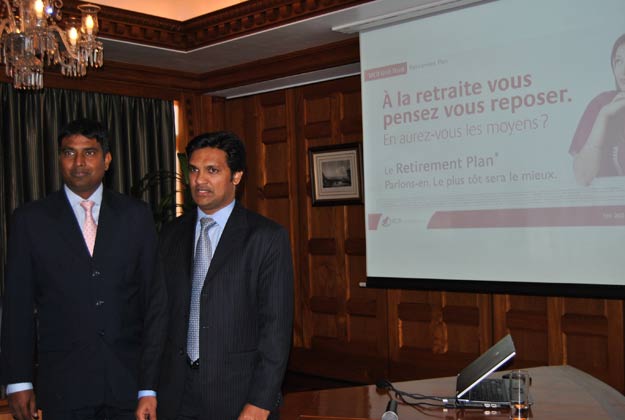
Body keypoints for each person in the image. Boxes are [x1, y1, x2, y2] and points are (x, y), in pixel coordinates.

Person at [1, 119, 168, 420]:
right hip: (64, 387)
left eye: (89, 152)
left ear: (107, 159)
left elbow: (154, 304)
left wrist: (149, 386)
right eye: (69, 153)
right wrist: (18, 380)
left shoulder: (136, 216)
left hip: (127, 385)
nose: (78, 162)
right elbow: (17, 306)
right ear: (59, 159)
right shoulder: (30, 220)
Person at [157, 131, 294, 420]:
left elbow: (276, 329)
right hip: (175, 394)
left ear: (237, 176)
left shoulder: (266, 237)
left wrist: (261, 401)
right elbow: (158, 315)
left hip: (238, 396)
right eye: (194, 170)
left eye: (212, 170)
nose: (199, 180)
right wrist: (148, 389)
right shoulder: (171, 234)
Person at [570, 33, 625, 186]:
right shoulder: (602, 103)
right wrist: (604, 116)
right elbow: (582, 177)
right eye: (619, 61)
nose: (623, 71)